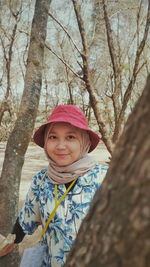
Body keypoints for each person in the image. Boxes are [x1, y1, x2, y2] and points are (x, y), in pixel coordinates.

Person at [0, 105, 108, 266]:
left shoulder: (105, 177)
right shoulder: (41, 180)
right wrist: (9, 242)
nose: (60, 146)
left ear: (84, 140)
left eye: (71, 137)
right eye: (53, 137)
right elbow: (26, 221)